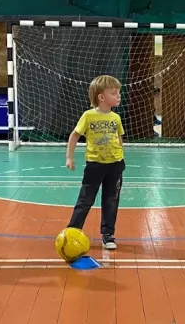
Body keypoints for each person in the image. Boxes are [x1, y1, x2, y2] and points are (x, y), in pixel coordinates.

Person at [65, 75, 126, 250]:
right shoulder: (88, 115)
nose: (118, 96)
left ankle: (108, 235)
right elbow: (75, 135)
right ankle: (73, 231)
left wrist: (120, 157)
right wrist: (69, 157)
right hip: (95, 166)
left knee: (111, 199)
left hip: (115, 165)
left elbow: (119, 138)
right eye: (114, 93)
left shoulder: (116, 118)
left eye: (118, 93)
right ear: (101, 97)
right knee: (85, 199)